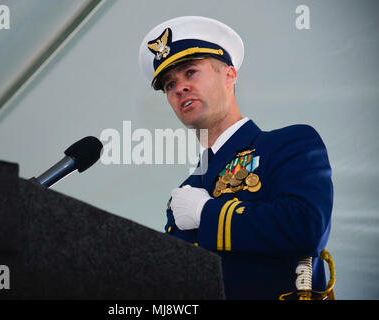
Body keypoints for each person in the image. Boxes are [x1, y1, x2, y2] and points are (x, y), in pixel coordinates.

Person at [138, 16, 333, 299]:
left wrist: (207, 214)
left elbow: (306, 227)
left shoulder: (288, 143)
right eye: (169, 84)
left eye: (191, 72)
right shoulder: (184, 193)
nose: (179, 88)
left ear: (229, 75)